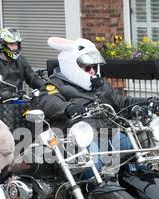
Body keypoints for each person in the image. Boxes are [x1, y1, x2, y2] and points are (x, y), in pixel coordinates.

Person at [35, 37, 149, 176]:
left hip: (108, 133)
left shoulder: (100, 85)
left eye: (94, 67)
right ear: (71, 66)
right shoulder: (54, 85)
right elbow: (48, 102)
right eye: (88, 67)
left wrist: (147, 101)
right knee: (93, 160)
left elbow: (121, 101)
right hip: (78, 139)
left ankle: (138, 185)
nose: (92, 72)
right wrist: (67, 107)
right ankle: (93, 191)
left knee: (135, 148)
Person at [0, 27, 44, 131]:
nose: (15, 48)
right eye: (11, 45)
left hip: (17, 102)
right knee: (4, 135)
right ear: (2, 44)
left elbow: (32, 77)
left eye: (16, 44)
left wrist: (46, 86)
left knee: (31, 129)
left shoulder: (20, 60)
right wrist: (1, 94)